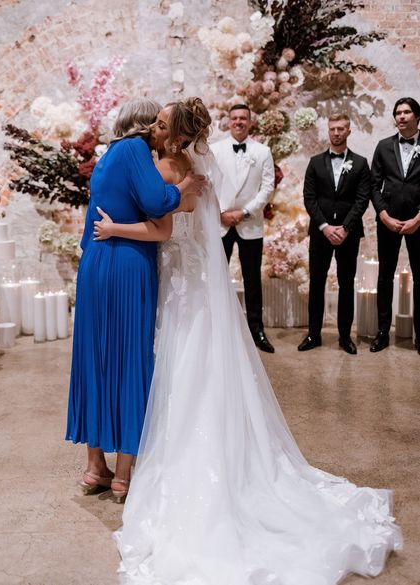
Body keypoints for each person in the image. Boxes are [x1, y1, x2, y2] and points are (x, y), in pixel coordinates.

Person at [96, 99, 401, 585]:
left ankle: (179, 459)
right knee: (171, 365)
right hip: (172, 279)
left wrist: (135, 217)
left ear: (176, 134)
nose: (151, 127)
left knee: (189, 364)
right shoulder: (170, 163)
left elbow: (172, 225)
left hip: (184, 285)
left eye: (160, 123)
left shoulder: (183, 169)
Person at [65, 98, 205, 500]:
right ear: (145, 125)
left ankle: (95, 467)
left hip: (95, 261)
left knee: (95, 359)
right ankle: (124, 474)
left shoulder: (112, 154)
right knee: (131, 360)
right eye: (155, 124)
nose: (155, 134)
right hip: (126, 265)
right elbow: (160, 204)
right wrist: (183, 187)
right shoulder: (135, 150)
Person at [298, 113, 371, 354]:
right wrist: (325, 227)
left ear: (349, 131)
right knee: (317, 283)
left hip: (348, 235)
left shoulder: (360, 163)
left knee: (346, 284)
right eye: (333, 128)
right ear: (328, 131)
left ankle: (344, 337)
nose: (337, 132)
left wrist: (345, 228)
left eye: (341, 128)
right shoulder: (315, 162)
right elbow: (309, 198)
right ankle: (314, 334)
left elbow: (362, 200)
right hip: (321, 234)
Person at [211, 104, 275, 353]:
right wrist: (221, 213)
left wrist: (245, 211)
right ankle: (216, 330)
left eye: (243, 118)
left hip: (250, 224)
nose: (238, 122)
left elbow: (267, 188)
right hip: (220, 224)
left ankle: (256, 330)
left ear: (250, 123)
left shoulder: (262, 151)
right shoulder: (215, 151)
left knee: (252, 279)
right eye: (234, 118)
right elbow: (209, 185)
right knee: (217, 278)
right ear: (228, 122)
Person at [370, 97, 420, 354]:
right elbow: (373, 185)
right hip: (389, 221)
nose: (401, 117)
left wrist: (419, 219)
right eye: (398, 113)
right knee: (384, 275)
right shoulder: (383, 147)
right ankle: (382, 332)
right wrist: (383, 215)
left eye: (406, 112)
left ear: (417, 117)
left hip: (419, 221)